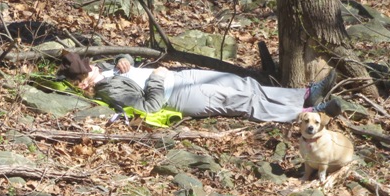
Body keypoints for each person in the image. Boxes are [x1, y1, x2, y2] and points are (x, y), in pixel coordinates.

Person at [58, 52, 341, 123]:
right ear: (84, 82)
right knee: (244, 101)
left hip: (182, 78)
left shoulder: (106, 72)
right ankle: (307, 113)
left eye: (91, 65)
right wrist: (157, 77)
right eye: (89, 70)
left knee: (245, 84)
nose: (94, 67)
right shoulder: (107, 90)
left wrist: (124, 59)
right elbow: (148, 107)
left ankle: (304, 94)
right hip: (179, 94)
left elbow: (127, 65)